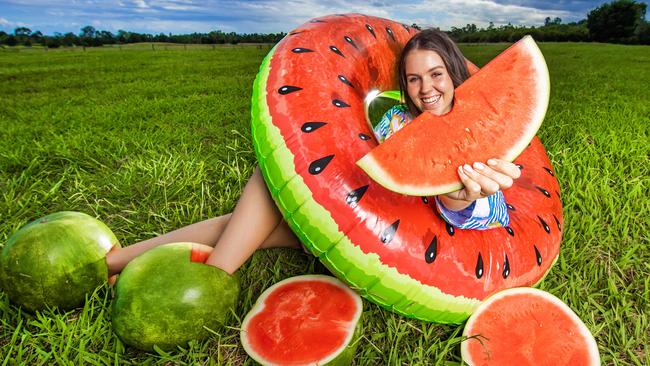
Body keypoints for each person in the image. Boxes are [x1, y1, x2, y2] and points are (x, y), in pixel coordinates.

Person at [106, 28, 520, 277]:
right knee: (266, 198)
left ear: (455, 74)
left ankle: (208, 276)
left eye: (436, 74)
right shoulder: (392, 118)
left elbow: (491, 214)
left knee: (264, 198)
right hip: (358, 214)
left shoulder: (485, 132)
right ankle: (123, 263)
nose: (425, 89)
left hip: (404, 244)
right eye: (413, 79)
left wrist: (458, 197)